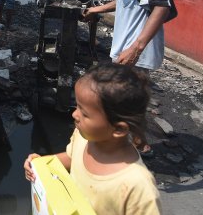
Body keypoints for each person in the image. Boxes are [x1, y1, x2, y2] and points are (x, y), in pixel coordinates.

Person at [84, 0, 171, 155]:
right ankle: (134, 142)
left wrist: (137, 47)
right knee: (127, 98)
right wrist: (97, 9)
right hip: (127, 42)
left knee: (129, 99)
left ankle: (140, 145)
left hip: (136, 45)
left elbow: (160, 6)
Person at [24, 63, 161, 215]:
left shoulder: (137, 187)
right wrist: (41, 164)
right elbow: (71, 157)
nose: (74, 115)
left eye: (84, 113)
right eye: (77, 106)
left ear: (118, 129)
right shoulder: (84, 138)